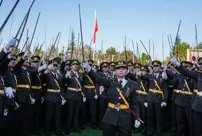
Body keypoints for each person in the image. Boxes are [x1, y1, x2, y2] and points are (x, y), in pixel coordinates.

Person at [82, 60, 142, 136]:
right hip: (110, 114)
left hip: (125, 116)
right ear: (115, 71)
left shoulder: (132, 85)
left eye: (123, 69)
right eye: (118, 68)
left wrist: (138, 117)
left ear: (127, 71)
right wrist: (89, 69)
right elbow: (98, 79)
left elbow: (134, 104)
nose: (121, 70)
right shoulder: (110, 82)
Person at [140, 60, 168, 136]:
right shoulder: (150, 76)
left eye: (157, 66)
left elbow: (165, 89)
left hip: (159, 99)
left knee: (159, 117)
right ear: (152, 67)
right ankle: (149, 131)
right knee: (150, 116)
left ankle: (159, 132)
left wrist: (165, 100)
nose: (155, 68)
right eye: (154, 66)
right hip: (150, 99)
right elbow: (142, 77)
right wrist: (146, 100)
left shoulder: (163, 75)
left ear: (160, 67)